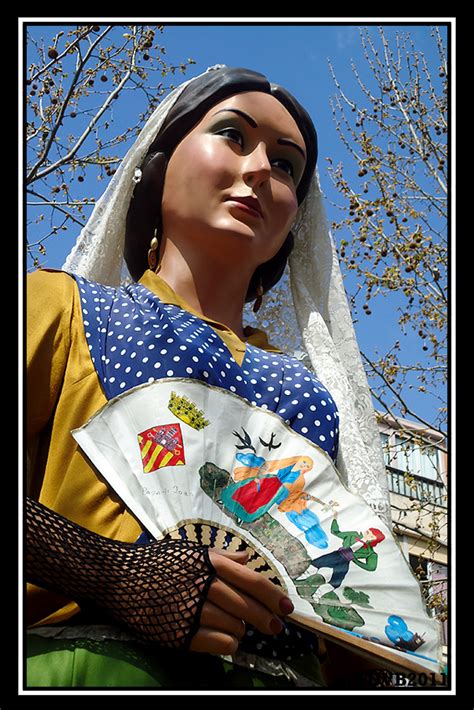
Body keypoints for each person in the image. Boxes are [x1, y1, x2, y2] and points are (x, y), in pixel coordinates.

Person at [26, 65, 391, 689]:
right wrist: (108, 571)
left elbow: (347, 605)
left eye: (286, 167)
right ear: (159, 161)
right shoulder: (59, 308)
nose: (259, 171)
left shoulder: (310, 402)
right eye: (232, 135)